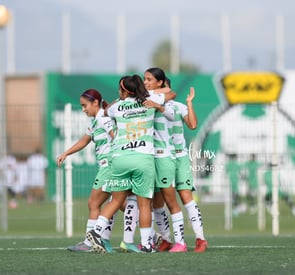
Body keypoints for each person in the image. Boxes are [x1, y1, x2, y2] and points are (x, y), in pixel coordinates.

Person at [86, 75, 176, 253]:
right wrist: (147, 95)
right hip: (143, 158)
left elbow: (106, 111)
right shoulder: (150, 101)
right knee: (144, 204)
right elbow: (171, 93)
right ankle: (147, 244)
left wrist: (122, 98)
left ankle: (96, 232)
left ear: (124, 91)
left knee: (116, 200)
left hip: (120, 157)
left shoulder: (117, 107)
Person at [144, 67, 208, 253]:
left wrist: (188, 103)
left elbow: (192, 124)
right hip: (170, 156)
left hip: (171, 156)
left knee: (174, 199)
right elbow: (192, 124)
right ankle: (178, 239)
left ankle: (189, 240)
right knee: (164, 200)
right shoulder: (160, 105)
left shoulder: (169, 106)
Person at [57, 89, 116, 253]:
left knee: (94, 203)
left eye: (85, 105)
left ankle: (89, 243)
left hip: (109, 166)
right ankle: (153, 235)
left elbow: (117, 136)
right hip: (108, 166)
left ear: (95, 103)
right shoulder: (95, 122)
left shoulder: (104, 119)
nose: (83, 109)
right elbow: (84, 141)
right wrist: (66, 153)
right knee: (124, 204)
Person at [143, 68, 187, 252]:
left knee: (171, 201)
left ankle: (181, 243)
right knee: (154, 204)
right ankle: (164, 239)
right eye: (144, 79)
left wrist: (154, 98)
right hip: (148, 158)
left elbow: (172, 93)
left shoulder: (161, 99)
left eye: (149, 79)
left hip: (164, 157)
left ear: (160, 82)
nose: (145, 82)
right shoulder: (145, 97)